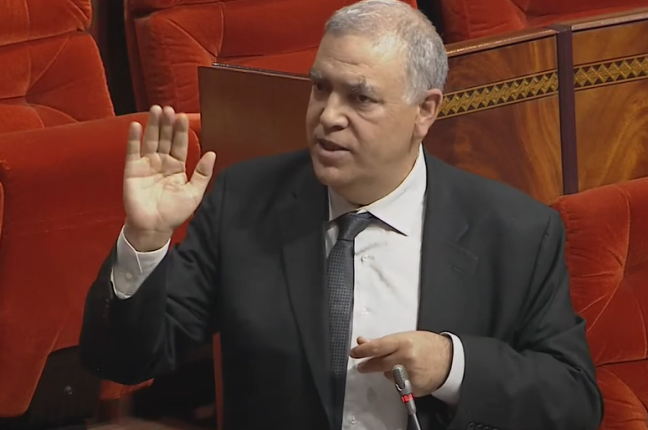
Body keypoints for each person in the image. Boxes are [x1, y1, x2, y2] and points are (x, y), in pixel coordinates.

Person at [79, 0, 603, 429]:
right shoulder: (245, 202)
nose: (328, 116)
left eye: (360, 98)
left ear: (425, 111)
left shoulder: (515, 232)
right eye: (320, 88)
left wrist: (453, 366)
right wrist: (145, 239)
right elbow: (122, 361)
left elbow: (574, 401)